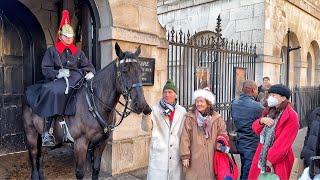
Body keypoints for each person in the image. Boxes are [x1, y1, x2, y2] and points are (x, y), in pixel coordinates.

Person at [25, 10, 96, 146]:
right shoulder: (52, 51)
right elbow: (45, 69)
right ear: (60, 35)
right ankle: (47, 132)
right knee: (53, 91)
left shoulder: (78, 52)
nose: (69, 39)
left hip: (77, 79)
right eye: (66, 36)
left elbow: (88, 65)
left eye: (70, 36)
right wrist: (58, 73)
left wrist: (90, 72)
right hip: (57, 81)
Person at [248, 84, 300, 179]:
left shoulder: (292, 116)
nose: (270, 98)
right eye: (270, 95)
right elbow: (256, 129)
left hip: (279, 159)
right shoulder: (269, 111)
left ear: (283, 98)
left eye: (273, 95)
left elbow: (284, 142)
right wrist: (261, 121)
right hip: (262, 153)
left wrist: (270, 159)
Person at [142, 80, 187, 180]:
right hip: (159, 155)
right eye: (165, 92)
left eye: (170, 92)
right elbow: (146, 128)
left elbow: (185, 133)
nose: (167, 95)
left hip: (175, 154)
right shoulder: (155, 109)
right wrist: (146, 115)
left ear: (175, 95)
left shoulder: (182, 111)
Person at [180, 88, 228, 180]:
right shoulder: (190, 118)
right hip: (195, 158)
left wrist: (221, 146)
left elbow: (223, 134)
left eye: (201, 101)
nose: (199, 104)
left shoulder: (217, 118)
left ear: (208, 103)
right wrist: (185, 156)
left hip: (212, 156)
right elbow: (185, 137)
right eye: (197, 101)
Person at [231, 80, 264, 180]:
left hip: (239, 141)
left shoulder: (234, 103)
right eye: (257, 90)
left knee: (244, 166)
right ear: (253, 90)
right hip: (252, 143)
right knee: (248, 171)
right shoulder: (258, 107)